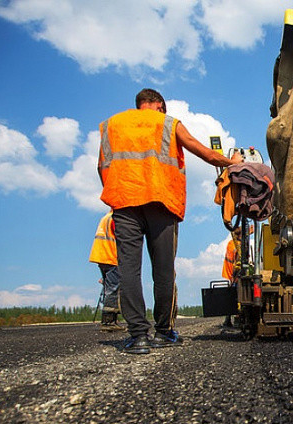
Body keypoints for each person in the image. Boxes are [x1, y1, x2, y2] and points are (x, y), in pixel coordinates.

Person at [98, 88, 243, 354]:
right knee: (163, 271)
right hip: (161, 204)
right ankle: (163, 332)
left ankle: (138, 337)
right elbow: (205, 153)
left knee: (129, 270)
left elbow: (102, 167)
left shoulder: (111, 125)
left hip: (124, 203)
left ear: (140, 104)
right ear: (160, 106)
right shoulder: (168, 123)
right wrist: (232, 162)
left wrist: (118, 194)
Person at [88, 210, 125, 331]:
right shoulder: (115, 218)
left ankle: (109, 319)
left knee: (108, 287)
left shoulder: (106, 217)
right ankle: (109, 322)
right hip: (110, 256)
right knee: (113, 288)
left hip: (101, 256)